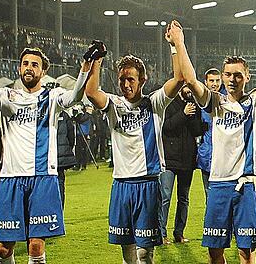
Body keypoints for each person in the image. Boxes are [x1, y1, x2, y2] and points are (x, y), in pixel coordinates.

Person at [0, 42, 96, 264]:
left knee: (36, 246)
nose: (29, 67)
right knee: (3, 248)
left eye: (35, 65)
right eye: (25, 63)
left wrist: (86, 66)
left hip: (43, 179)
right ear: (19, 68)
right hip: (11, 179)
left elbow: (75, 96)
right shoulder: (5, 96)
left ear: (43, 71)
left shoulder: (53, 97)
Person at [180, 18, 256, 264]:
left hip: (247, 184)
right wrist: (179, 41)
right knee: (214, 250)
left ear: (247, 76)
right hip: (218, 184)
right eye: (227, 74)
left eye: (237, 75)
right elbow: (189, 78)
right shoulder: (214, 102)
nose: (231, 79)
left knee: (246, 251)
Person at [85, 26, 191, 264]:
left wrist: (175, 45)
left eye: (130, 79)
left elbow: (179, 78)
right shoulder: (113, 104)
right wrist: (97, 61)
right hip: (121, 184)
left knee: (145, 252)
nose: (125, 84)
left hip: (148, 183)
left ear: (143, 79)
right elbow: (91, 92)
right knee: (127, 249)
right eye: (122, 79)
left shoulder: (155, 102)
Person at [159, 84, 205, 243]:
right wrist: (183, 114)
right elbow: (166, 127)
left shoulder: (194, 105)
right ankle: (161, 233)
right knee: (165, 197)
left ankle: (179, 233)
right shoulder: (168, 103)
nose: (190, 91)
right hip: (169, 160)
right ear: (180, 88)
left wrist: (191, 116)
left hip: (187, 159)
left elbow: (197, 131)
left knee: (183, 198)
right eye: (187, 87)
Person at [196, 68, 221, 193]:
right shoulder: (199, 103)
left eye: (217, 80)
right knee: (208, 193)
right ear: (205, 82)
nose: (214, 84)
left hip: (223, 159)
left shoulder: (227, 100)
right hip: (206, 156)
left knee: (222, 194)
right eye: (211, 80)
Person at [55, 109, 77, 207]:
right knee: (60, 184)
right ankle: (60, 212)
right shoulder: (65, 115)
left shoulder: (43, 113)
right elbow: (71, 136)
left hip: (45, 157)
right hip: (61, 157)